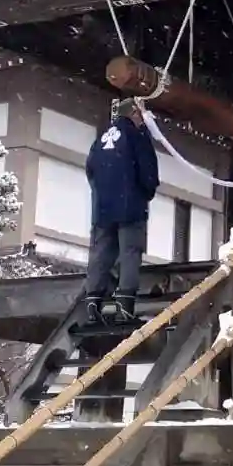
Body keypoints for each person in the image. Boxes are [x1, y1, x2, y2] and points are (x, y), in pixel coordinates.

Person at [83, 97, 159, 324]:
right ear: (134, 113)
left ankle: (92, 302)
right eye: (141, 115)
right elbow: (148, 173)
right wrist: (144, 193)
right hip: (130, 206)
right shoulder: (137, 136)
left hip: (102, 208)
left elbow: (90, 170)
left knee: (100, 253)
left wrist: (103, 193)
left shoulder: (100, 139)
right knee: (130, 252)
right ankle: (124, 305)